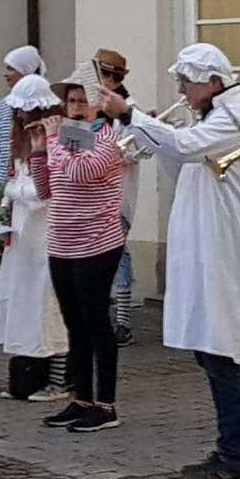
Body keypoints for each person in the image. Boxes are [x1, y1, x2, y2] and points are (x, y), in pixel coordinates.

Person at [98, 42, 240, 479]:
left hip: (223, 246)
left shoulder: (234, 116)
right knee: (207, 348)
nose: (181, 90)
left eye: (186, 82)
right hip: (202, 241)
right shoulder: (212, 115)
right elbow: (184, 165)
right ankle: (228, 448)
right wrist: (153, 133)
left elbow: (189, 148)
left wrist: (134, 114)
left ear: (213, 82)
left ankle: (235, 454)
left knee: (220, 349)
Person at [32, 64, 126, 434]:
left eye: (81, 101)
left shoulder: (106, 140)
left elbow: (79, 173)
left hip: (96, 243)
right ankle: (82, 397)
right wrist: (40, 151)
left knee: (96, 323)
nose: (73, 107)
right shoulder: (68, 139)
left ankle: (106, 404)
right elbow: (46, 190)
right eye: (70, 100)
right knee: (74, 324)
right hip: (62, 241)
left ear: (97, 106)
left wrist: (55, 143)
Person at [0, 74, 71, 405]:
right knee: (25, 302)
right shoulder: (21, 137)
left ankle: (59, 378)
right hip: (24, 236)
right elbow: (19, 177)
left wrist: (10, 190)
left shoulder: (58, 138)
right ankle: (28, 371)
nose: (21, 120)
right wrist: (5, 207)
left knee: (51, 305)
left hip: (49, 234)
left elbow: (41, 193)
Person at [95, 48, 139, 345]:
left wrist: (103, 154)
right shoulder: (88, 107)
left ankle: (123, 321)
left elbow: (137, 150)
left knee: (117, 252)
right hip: (87, 192)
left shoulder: (128, 109)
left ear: (111, 79)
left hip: (117, 194)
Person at [0, 45, 46, 186]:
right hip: (3, 179)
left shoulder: (44, 103)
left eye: (11, 68)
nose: (5, 73)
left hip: (30, 180)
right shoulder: (2, 105)